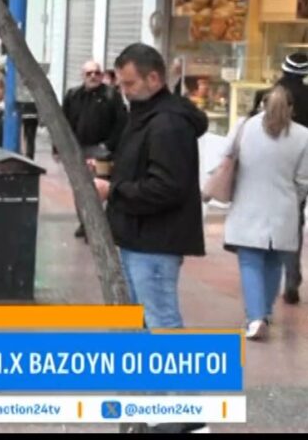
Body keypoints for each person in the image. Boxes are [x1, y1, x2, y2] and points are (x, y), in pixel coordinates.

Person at [95, 44, 209, 434]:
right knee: (148, 324)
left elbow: (167, 186)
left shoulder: (167, 123)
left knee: (162, 323)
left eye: (129, 84)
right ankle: (159, 407)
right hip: (139, 237)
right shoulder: (146, 116)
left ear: (154, 78)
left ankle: (188, 413)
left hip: (155, 241)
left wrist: (114, 190)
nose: (123, 91)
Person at [223, 86, 308, 340]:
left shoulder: (245, 127)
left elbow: (226, 156)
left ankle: (255, 318)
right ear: (292, 108)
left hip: (247, 205)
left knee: (250, 262)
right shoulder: (304, 136)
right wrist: (293, 198)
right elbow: (304, 180)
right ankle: (266, 312)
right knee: (274, 262)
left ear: (262, 104)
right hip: (284, 210)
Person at [250, 52, 308, 305]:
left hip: (267, 167)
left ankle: (262, 279)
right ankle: (292, 277)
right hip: (301, 165)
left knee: (261, 221)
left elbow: (251, 127)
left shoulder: (264, 94)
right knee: (294, 221)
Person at [61, 60, 128, 238]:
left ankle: (98, 224)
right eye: (89, 73)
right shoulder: (73, 95)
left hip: (103, 152)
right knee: (79, 187)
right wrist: (60, 148)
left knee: (100, 187)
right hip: (78, 151)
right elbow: (64, 122)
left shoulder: (111, 95)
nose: (93, 76)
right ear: (82, 75)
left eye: (97, 73)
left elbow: (121, 123)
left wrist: (108, 145)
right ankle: (85, 223)